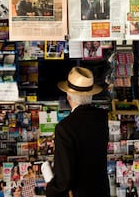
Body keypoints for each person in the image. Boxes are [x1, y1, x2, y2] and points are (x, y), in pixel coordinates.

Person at [45, 67, 110, 197]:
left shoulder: (65, 128)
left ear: (68, 96)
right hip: (101, 191)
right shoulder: (101, 118)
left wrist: (51, 188)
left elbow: (65, 179)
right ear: (91, 95)